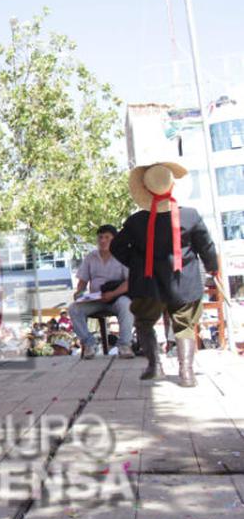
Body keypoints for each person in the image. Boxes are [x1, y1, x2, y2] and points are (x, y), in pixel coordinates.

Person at [110, 161, 218, 387]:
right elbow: (206, 247)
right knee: (184, 325)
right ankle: (186, 373)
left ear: (146, 190)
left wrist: (137, 264)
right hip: (184, 281)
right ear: (172, 185)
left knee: (145, 322)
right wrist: (212, 267)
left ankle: (154, 366)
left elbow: (116, 247)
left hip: (148, 283)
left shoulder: (136, 221)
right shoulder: (190, 216)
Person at [68, 224, 134, 359]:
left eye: (107, 237)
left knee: (127, 305)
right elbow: (82, 281)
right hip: (96, 299)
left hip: (117, 297)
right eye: (100, 237)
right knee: (74, 308)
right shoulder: (91, 257)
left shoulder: (123, 256)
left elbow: (130, 282)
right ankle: (89, 344)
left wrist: (113, 294)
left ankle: (124, 345)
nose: (103, 241)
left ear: (115, 239)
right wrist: (79, 293)